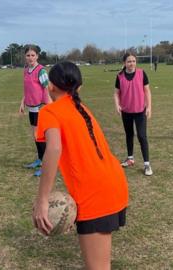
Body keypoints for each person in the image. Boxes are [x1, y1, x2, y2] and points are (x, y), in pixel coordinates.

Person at [32, 61, 128, 270]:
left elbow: (54, 149)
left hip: (95, 193)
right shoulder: (81, 107)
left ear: (51, 85)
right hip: (113, 183)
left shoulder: (50, 111)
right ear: (78, 87)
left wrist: (42, 200)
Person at [114, 52, 153, 175]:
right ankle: (130, 158)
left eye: (133, 61)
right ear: (124, 63)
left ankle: (147, 165)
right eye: (129, 61)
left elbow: (147, 91)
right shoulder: (119, 76)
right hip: (126, 111)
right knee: (129, 135)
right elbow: (116, 93)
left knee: (142, 136)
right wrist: (117, 105)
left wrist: (149, 107)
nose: (131, 63)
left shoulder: (142, 73)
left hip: (140, 111)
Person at [19, 45, 52, 177]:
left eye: (33, 55)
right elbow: (27, 89)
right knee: (35, 135)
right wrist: (22, 102)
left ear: (37, 56)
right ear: (25, 57)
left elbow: (47, 88)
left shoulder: (41, 71)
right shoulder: (26, 70)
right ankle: (39, 159)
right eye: (28, 55)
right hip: (31, 107)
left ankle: (45, 165)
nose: (30, 57)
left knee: (40, 136)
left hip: (41, 108)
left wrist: (47, 106)